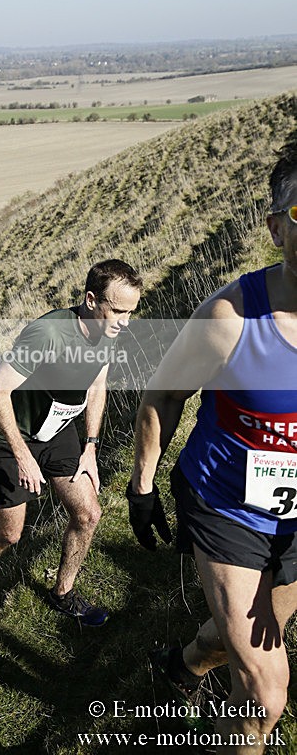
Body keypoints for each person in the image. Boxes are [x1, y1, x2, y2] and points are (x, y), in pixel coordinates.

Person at [128, 147, 297, 753]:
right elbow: (164, 395)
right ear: (276, 228)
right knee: (264, 693)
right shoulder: (230, 319)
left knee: (255, 627)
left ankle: (184, 665)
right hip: (228, 507)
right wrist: (142, 485)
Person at [0, 259, 142, 625]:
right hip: (10, 436)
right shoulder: (47, 333)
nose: (125, 322)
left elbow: (97, 386)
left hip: (58, 430)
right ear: (91, 300)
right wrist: (22, 455)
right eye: (118, 311)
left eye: (131, 312)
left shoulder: (109, 332)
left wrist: (91, 447)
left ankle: (63, 593)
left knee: (88, 514)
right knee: (10, 533)